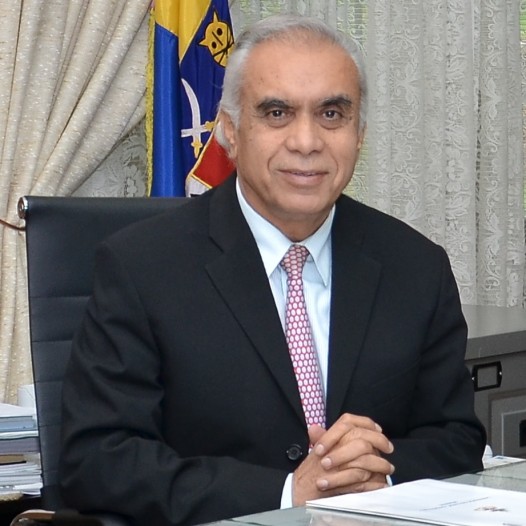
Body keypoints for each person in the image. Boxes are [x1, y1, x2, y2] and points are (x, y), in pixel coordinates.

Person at [59, 13, 486, 526]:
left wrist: (375, 474)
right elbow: (98, 459)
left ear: (360, 134)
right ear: (230, 132)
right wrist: (288, 491)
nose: (306, 141)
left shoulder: (416, 267)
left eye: (332, 114)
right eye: (277, 113)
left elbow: (457, 438)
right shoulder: (141, 266)